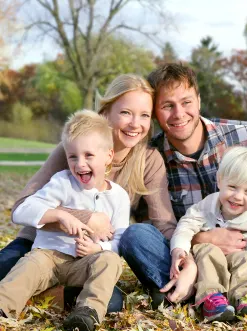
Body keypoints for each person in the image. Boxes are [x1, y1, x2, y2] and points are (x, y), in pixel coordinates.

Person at [119, 62, 247, 319]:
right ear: (156, 113)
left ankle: (236, 294)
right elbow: (148, 225)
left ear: (199, 100)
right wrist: (201, 239)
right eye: (167, 106)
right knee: (136, 236)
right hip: (191, 265)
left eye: (186, 102)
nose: (179, 113)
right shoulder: (151, 157)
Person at [0, 74, 195, 311]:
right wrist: (86, 218)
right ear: (105, 114)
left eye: (144, 115)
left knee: (112, 302)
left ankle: (40, 294)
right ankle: (37, 290)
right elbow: (22, 204)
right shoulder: (75, 148)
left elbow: (163, 223)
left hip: (88, 256)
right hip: (41, 247)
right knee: (6, 269)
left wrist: (188, 259)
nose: (135, 124)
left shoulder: (149, 159)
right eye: (125, 113)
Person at [0, 110, 129, 331]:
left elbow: (120, 239)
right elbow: (24, 211)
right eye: (73, 156)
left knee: (109, 261)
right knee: (28, 266)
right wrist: (60, 215)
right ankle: (4, 305)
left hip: (84, 263)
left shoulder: (119, 197)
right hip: (48, 257)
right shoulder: (62, 182)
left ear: (108, 156)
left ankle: (87, 312)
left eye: (88, 155)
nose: (80, 164)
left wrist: (99, 248)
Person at [170, 146, 247, 322]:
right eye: (232, 187)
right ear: (220, 181)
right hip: (211, 260)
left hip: (241, 256)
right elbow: (185, 225)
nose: (237, 196)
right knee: (207, 250)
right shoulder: (206, 205)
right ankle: (212, 299)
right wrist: (179, 248)